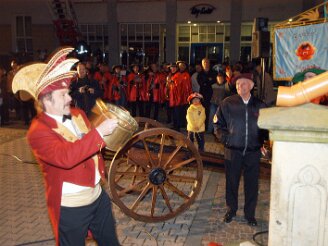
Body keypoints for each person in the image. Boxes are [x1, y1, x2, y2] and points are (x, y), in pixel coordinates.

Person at [12, 47, 120, 246]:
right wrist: (99, 133)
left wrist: (110, 129)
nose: (70, 98)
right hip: (72, 207)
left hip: (97, 197)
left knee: (111, 242)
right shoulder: (38, 131)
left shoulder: (77, 113)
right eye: (63, 95)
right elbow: (65, 158)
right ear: (46, 101)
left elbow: (93, 146)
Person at [213, 73, 267, 227]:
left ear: (250, 86)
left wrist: (262, 142)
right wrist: (226, 139)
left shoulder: (260, 105)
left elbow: (265, 126)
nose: (239, 87)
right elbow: (217, 125)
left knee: (252, 184)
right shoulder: (227, 103)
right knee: (231, 182)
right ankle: (231, 210)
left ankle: (250, 214)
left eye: (243, 84)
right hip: (233, 150)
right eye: (237, 85)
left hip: (253, 151)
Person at [197, 58, 217, 131]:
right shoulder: (200, 74)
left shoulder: (214, 73)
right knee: (202, 111)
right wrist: (208, 81)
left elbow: (214, 82)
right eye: (204, 62)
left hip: (212, 95)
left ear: (209, 63)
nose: (205, 64)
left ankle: (210, 128)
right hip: (202, 95)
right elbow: (201, 83)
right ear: (202, 64)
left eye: (207, 62)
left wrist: (206, 82)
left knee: (211, 112)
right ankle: (203, 126)